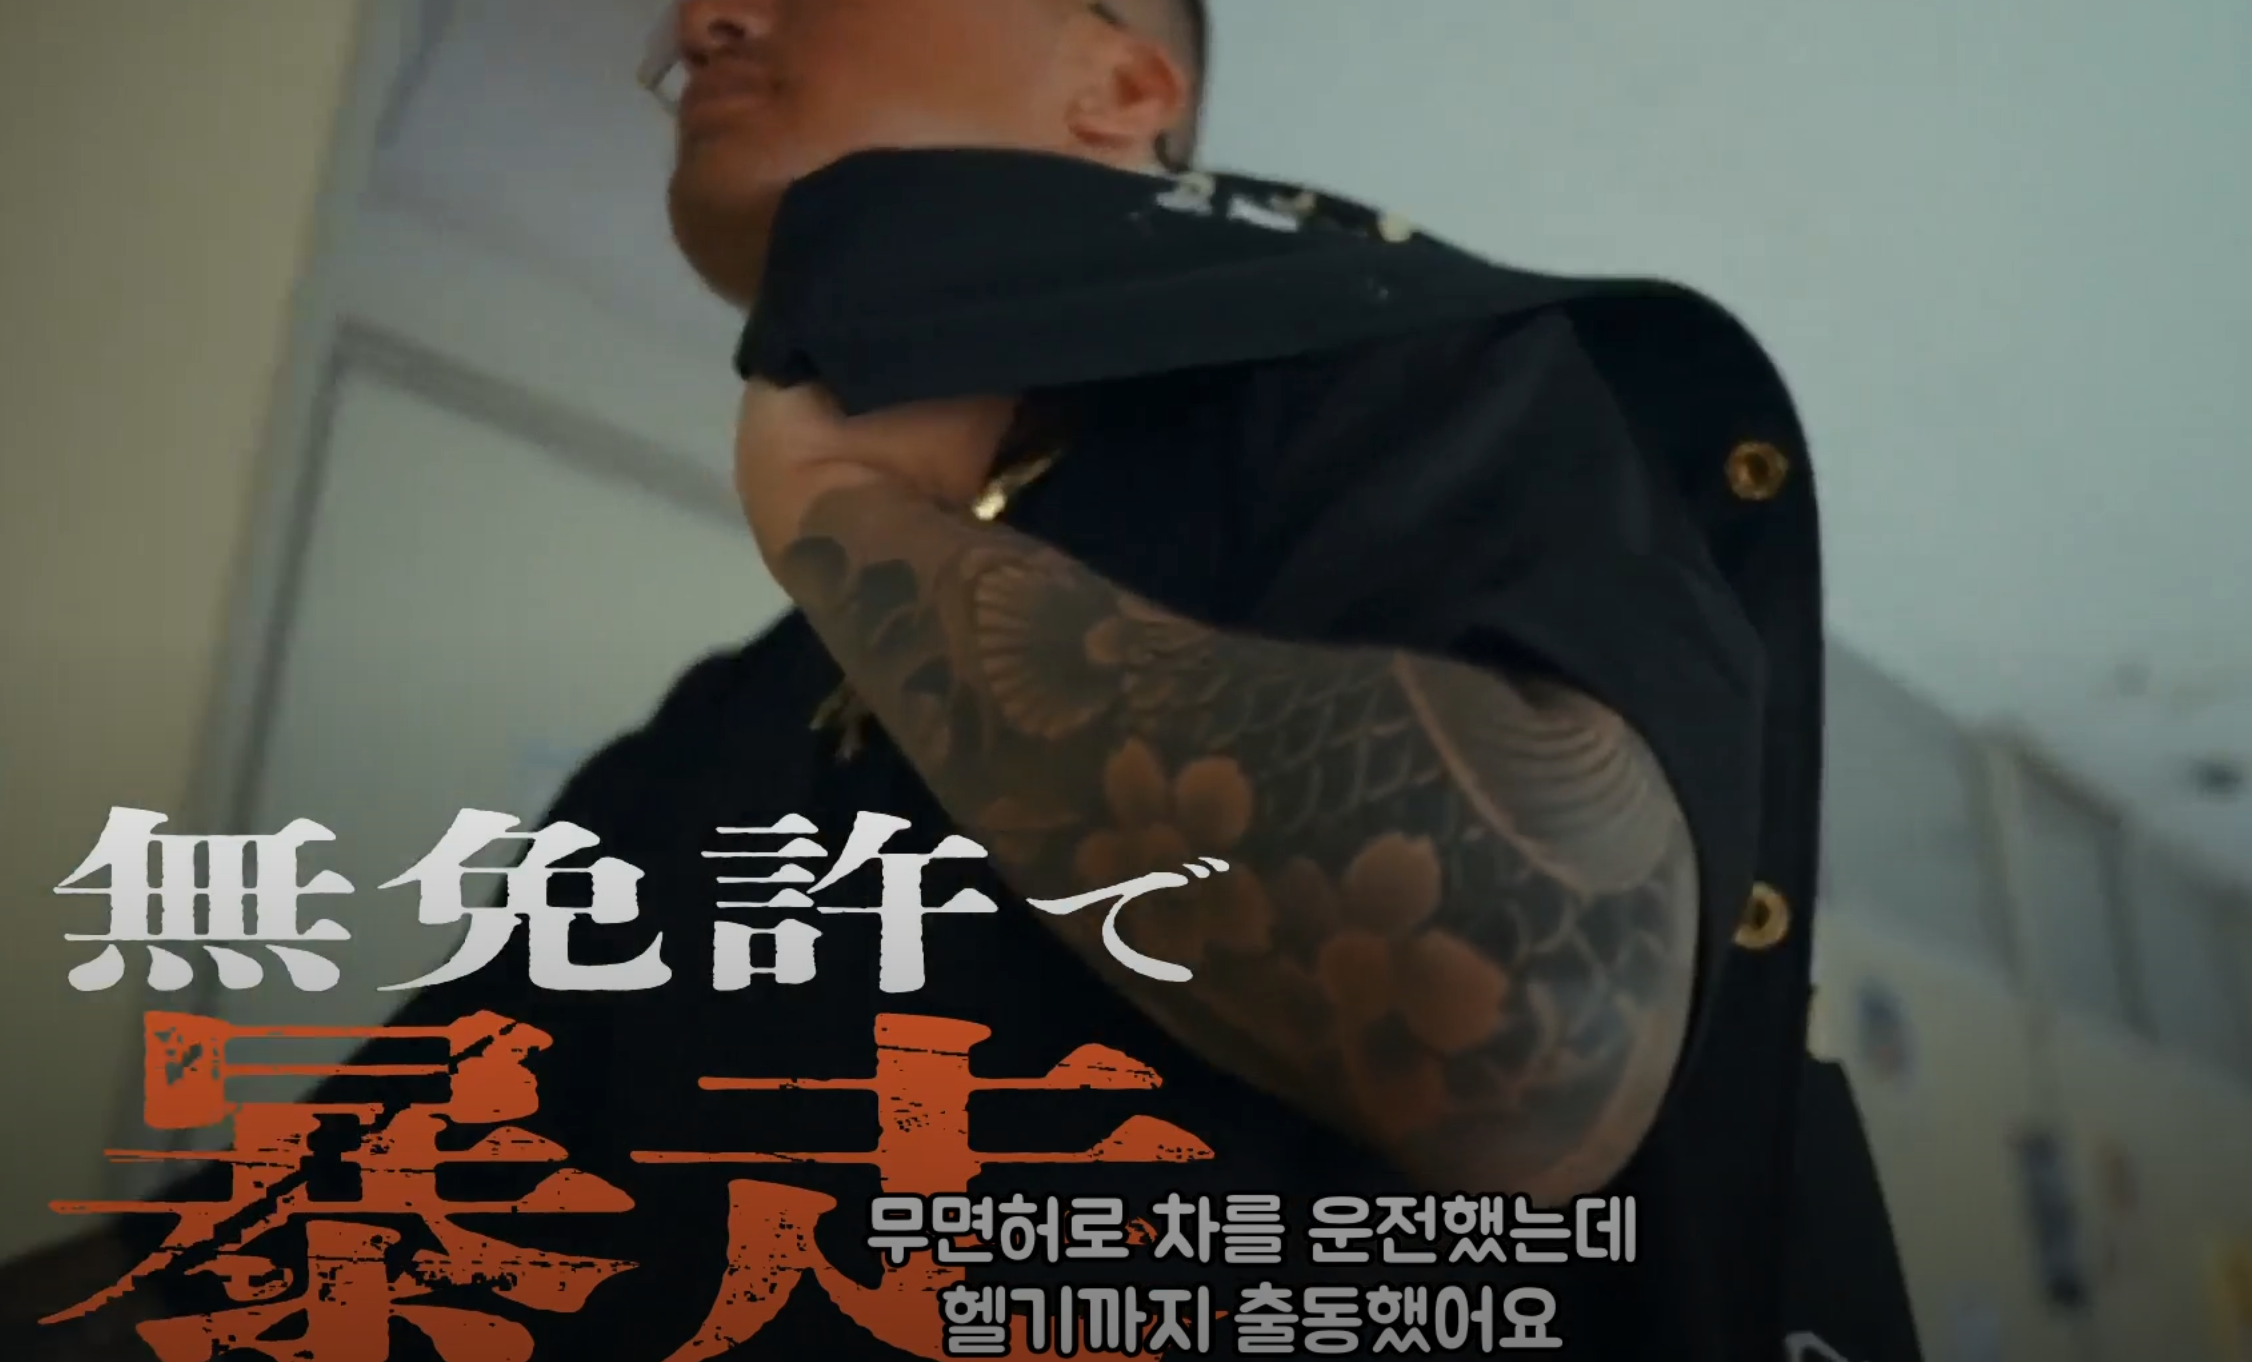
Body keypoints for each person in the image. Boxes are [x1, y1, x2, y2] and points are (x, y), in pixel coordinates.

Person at [3, 1, 1922, 1358]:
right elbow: (312, 1247)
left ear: (1125, 83)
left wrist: (864, 523)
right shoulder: (706, 742)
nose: (695, 20)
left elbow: (1533, 1020)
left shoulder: (1406, 379)